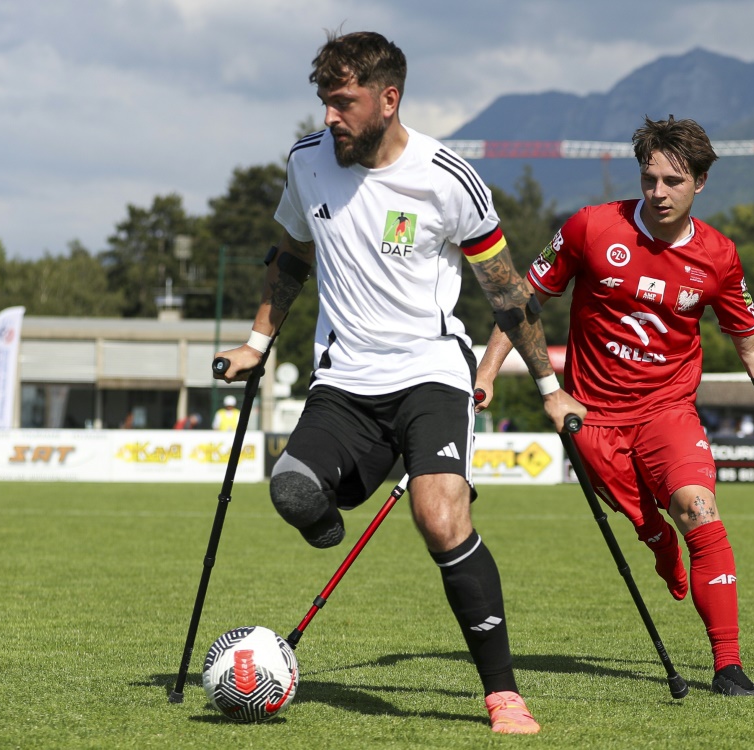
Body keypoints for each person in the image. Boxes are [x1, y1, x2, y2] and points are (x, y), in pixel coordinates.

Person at [213, 30, 583, 734]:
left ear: (389, 98)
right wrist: (258, 341)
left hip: (430, 374)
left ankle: (502, 694)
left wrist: (546, 386)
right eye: (324, 101)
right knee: (292, 491)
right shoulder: (306, 164)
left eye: (343, 101)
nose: (329, 117)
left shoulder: (447, 176)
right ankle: (342, 497)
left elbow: (507, 293)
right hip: (345, 380)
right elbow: (290, 255)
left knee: (440, 518)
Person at [475, 115, 754, 697]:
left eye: (673, 182)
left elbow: (753, 344)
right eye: (649, 178)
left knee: (697, 507)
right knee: (653, 525)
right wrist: (485, 374)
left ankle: (729, 667)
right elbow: (521, 300)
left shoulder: (719, 257)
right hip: (589, 414)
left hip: (668, 410)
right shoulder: (591, 227)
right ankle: (656, 539)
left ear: (701, 184)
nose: (658, 193)